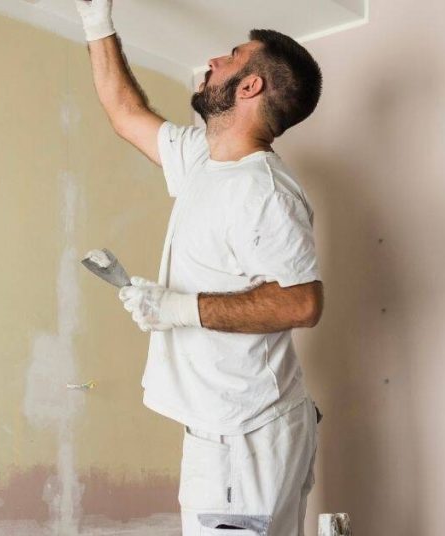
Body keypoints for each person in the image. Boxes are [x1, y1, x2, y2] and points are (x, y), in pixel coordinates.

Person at [75, 1, 325, 534]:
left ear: (250, 87)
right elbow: (125, 114)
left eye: (232, 57)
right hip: (230, 428)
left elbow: (303, 303)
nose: (215, 59)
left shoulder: (266, 193)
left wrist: (177, 308)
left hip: (244, 436)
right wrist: (98, 20)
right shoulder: (203, 162)